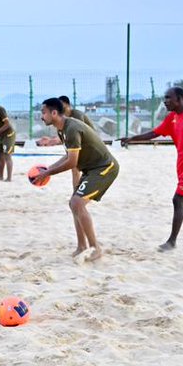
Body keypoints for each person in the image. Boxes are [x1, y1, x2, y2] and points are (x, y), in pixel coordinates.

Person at [121, 86, 183, 250]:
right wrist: (131, 139)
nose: (165, 101)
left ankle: (172, 242)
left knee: (178, 199)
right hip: (182, 167)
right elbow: (154, 133)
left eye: (168, 98)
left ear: (179, 98)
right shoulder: (172, 118)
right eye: (165, 98)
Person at [32, 98, 118, 261]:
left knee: (77, 203)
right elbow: (68, 156)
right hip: (91, 168)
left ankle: (95, 248)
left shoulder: (72, 128)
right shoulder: (62, 129)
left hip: (105, 168)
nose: (41, 117)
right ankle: (82, 246)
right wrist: (48, 170)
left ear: (54, 113)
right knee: (74, 204)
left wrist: (48, 173)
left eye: (43, 113)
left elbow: (72, 162)